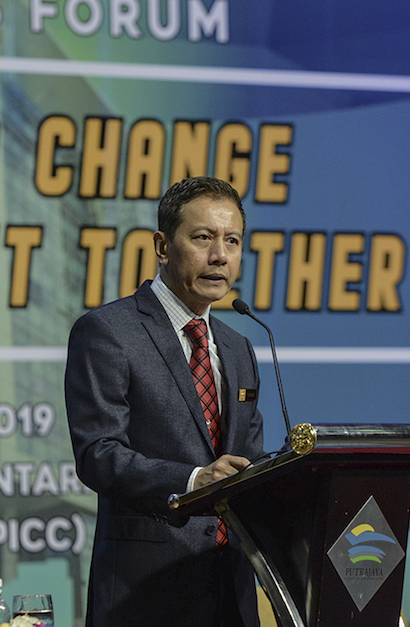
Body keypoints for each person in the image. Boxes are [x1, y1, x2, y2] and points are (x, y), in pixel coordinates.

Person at [65, 176, 263, 627]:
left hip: (231, 594)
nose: (220, 255)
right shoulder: (109, 332)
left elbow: (251, 463)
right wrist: (194, 480)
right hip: (146, 596)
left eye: (232, 241)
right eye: (202, 238)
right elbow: (98, 455)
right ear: (161, 245)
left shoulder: (238, 349)